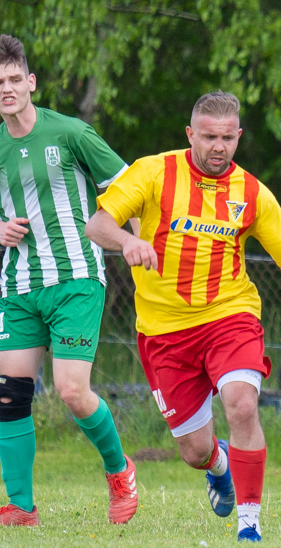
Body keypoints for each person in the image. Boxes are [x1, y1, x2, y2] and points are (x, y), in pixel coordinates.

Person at [85, 91, 281, 542]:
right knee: (194, 450)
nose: (218, 147)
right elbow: (98, 224)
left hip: (230, 316)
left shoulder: (252, 193)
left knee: (242, 403)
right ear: (191, 134)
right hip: (164, 333)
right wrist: (127, 242)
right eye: (208, 137)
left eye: (227, 137)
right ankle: (219, 466)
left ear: (239, 136)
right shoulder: (153, 172)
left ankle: (249, 526)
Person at [0, 34, 138, 527]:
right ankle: (21, 506)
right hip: (17, 285)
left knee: (71, 391)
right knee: (9, 393)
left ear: (31, 82)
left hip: (76, 278)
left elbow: (129, 188)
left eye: (15, 79)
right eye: (0, 83)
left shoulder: (70, 133)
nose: (7, 89)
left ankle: (120, 471)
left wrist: (141, 251)